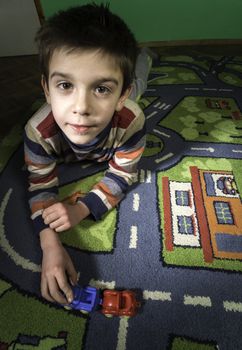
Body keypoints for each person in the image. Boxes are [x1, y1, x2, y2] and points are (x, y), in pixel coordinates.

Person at [24, 3, 151, 304]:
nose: (81, 108)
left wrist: (80, 209)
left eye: (102, 89)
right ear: (46, 89)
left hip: (134, 91)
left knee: (143, 80)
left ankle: (145, 57)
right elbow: (40, 184)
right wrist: (50, 243)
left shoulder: (131, 119)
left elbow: (123, 174)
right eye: (65, 85)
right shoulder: (38, 131)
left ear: (120, 94)